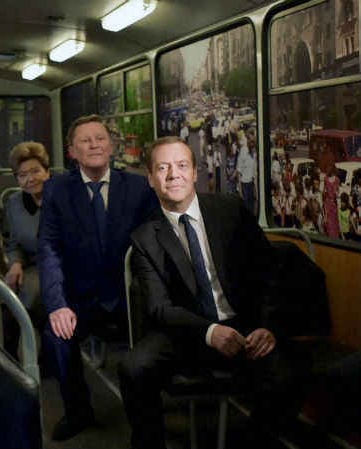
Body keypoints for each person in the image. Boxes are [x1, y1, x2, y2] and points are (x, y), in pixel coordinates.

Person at [119, 136, 302, 449]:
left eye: (181, 165)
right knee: (133, 368)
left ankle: (253, 442)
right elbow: (160, 308)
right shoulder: (144, 237)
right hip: (186, 332)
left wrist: (267, 326)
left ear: (194, 173)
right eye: (162, 168)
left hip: (244, 325)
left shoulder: (230, 210)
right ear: (150, 178)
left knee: (292, 370)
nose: (173, 174)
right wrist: (210, 332)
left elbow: (269, 273)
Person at [38, 114, 158, 441]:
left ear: (111, 146)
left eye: (100, 138)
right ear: (71, 151)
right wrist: (58, 305)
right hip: (81, 298)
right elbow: (49, 249)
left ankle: (148, 423)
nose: (94, 145)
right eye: (85, 140)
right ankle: (78, 411)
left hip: (128, 297)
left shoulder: (138, 187)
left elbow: (155, 245)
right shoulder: (57, 190)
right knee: (55, 336)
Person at [1, 141, 50, 361]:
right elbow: (13, 243)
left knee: (31, 292)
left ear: (47, 171)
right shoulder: (14, 203)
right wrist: (15, 264)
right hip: (31, 264)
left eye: (35, 171)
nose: (30, 179)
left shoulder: (62, 197)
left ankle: (46, 358)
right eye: (22, 175)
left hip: (61, 264)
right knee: (8, 292)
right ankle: (9, 358)